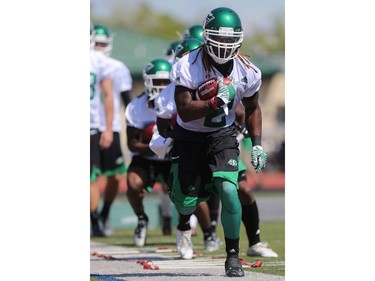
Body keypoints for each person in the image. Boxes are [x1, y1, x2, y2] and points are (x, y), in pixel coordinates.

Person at [168, 7, 267, 277]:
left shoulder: (248, 71)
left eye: (228, 40)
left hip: (221, 136)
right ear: (207, 37)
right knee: (185, 203)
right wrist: (214, 101)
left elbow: (253, 107)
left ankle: (233, 256)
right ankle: (183, 209)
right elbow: (185, 110)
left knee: (229, 191)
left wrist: (257, 143)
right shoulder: (187, 64)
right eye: (218, 39)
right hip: (188, 137)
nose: (223, 46)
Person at [153, 37, 221, 253]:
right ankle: (184, 226)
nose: (191, 62)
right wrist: (172, 136)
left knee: (224, 185)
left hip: (216, 140)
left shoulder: (218, 79)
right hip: (186, 143)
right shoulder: (170, 92)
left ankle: (211, 232)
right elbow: (163, 126)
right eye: (185, 57)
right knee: (188, 195)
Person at [125, 58, 173, 246]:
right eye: (157, 82)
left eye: (166, 82)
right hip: (146, 158)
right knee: (133, 184)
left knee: (187, 188)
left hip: (171, 156)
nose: (162, 87)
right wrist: (153, 147)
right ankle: (141, 219)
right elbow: (131, 143)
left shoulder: (178, 101)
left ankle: (197, 227)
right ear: (147, 82)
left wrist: (170, 145)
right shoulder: (136, 107)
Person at [92, 24, 133, 236]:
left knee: (116, 176)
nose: (99, 47)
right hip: (91, 125)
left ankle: (104, 214)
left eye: (102, 44)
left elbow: (127, 100)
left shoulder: (117, 67)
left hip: (112, 126)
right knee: (91, 177)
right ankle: (93, 218)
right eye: (95, 43)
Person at [90, 24, 114, 237]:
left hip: (90, 126)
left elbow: (107, 94)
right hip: (92, 125)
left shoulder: (98, 61)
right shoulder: (98, 62)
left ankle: (94, 219)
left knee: (92, 177)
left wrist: (107, 128)